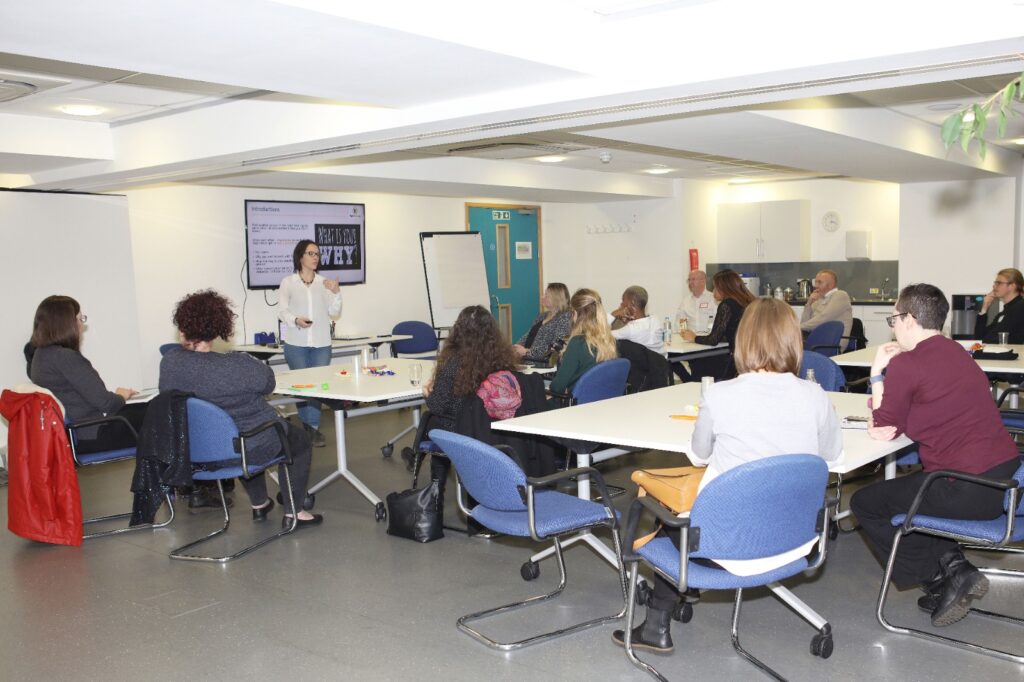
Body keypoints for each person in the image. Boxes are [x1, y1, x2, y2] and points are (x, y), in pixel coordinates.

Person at [613, 297, 842, 653]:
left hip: (726, 543)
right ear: (793, 340)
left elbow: (699, 454)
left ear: (743, 340)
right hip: (793, 540)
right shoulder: (815, 395)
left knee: (669, 516)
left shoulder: (720, 396)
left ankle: (656, 623)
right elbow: (829, 455)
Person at [850, 283, 1019, 627]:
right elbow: (927, 408)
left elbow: (883, 426)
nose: (892, 326)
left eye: (894, 318)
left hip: (962, 488)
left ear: (909, 319)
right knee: (911, 492)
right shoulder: (957, 351)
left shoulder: (907, 365)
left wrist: (878, 372)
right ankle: (950, 572)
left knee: (866, 504)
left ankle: (945, 574)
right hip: (1006, 483)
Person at [161, 290, 322, 528]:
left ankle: (260, 504)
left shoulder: (171, 363)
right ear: (219, 327)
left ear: (184, 326)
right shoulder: (238, 365)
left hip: (197, 452)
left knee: (238, 434)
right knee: (297, 440)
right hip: (243, 449)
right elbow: (269, 382)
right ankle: (295, 512)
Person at [28, 295, 144, 455]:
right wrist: (121, 395)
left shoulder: (40, 356)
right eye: (79, 319)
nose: (81, 325)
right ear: (66, 324)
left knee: (150, 413)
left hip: (73, 434)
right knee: (159, 412)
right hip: (92, 433)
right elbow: (107, 404)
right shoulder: (66, 358)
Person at [278, 239, 343, 447]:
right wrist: (295, 320)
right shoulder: (288, 282)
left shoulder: (325, 283)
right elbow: (282, 310)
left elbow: (335, 312)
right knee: (302, 387)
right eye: (311, 253)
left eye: (317, 254)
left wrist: (336, 292)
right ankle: (308, 427)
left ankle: (311, 427)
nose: (316, 257)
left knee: (316, 387)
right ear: (300, 257)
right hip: (295, 343)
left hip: (321, 343)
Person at [679, 269, 755, 380]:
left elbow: (713, 340)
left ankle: (694, 385)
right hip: (749, 355)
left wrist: (694, 338)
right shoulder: (746, 302)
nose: (713, 291)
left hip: (735, 359)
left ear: (723, 288)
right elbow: (734, 331)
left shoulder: (726, 305)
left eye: (715, 287)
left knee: (699, 363)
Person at [549, 288, 619, 398]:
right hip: (602, 402)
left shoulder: (577, 343)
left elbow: (557, 387)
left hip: (575, 405)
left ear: (576, 314)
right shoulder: (610, 341)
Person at [512, 282, 572, 365]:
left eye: (546, 295)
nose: (542, 297)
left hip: (543, 363)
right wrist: (516, 347)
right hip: (528, 360)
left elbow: (557, 347)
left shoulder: (565, 317)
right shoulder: (542, 316)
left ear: (557, 298)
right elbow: (528, 335)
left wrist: (527, 352)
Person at [974, 267, 1024, 343]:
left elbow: (989, 339)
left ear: (1012, 286)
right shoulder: (1004, 312)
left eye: (999, 283)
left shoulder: (1020, 307)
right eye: (995, 283)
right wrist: (984, 308)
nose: (994, 286)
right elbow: (979, 337)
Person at [609, 285, 664, 353]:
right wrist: (627, 322)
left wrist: (613, 314)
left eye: (623, 300)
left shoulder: (631, 330)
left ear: (632, 302)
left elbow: (601, 336)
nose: (621, 303)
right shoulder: (655, 319)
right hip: (661, 362)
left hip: (643, 363)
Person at [800, 268, 853, 338]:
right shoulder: (818, 298)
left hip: (831, 343)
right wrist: (809, 304)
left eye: (819, 282)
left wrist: (796, 327)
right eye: (815, 282)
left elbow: (823, 319)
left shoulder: (840, 295)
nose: (816, 285)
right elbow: (804, 322)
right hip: (814, 338)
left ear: (831, 285)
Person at [675, 270, 717, 335]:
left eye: (693, 279)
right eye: (689, 280)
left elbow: (718, 321)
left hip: (709, 341)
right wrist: (684, 332)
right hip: (691, 341)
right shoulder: (685, 302)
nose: (690, 282)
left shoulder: (713, 299)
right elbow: (681, 320)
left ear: (703, 281)